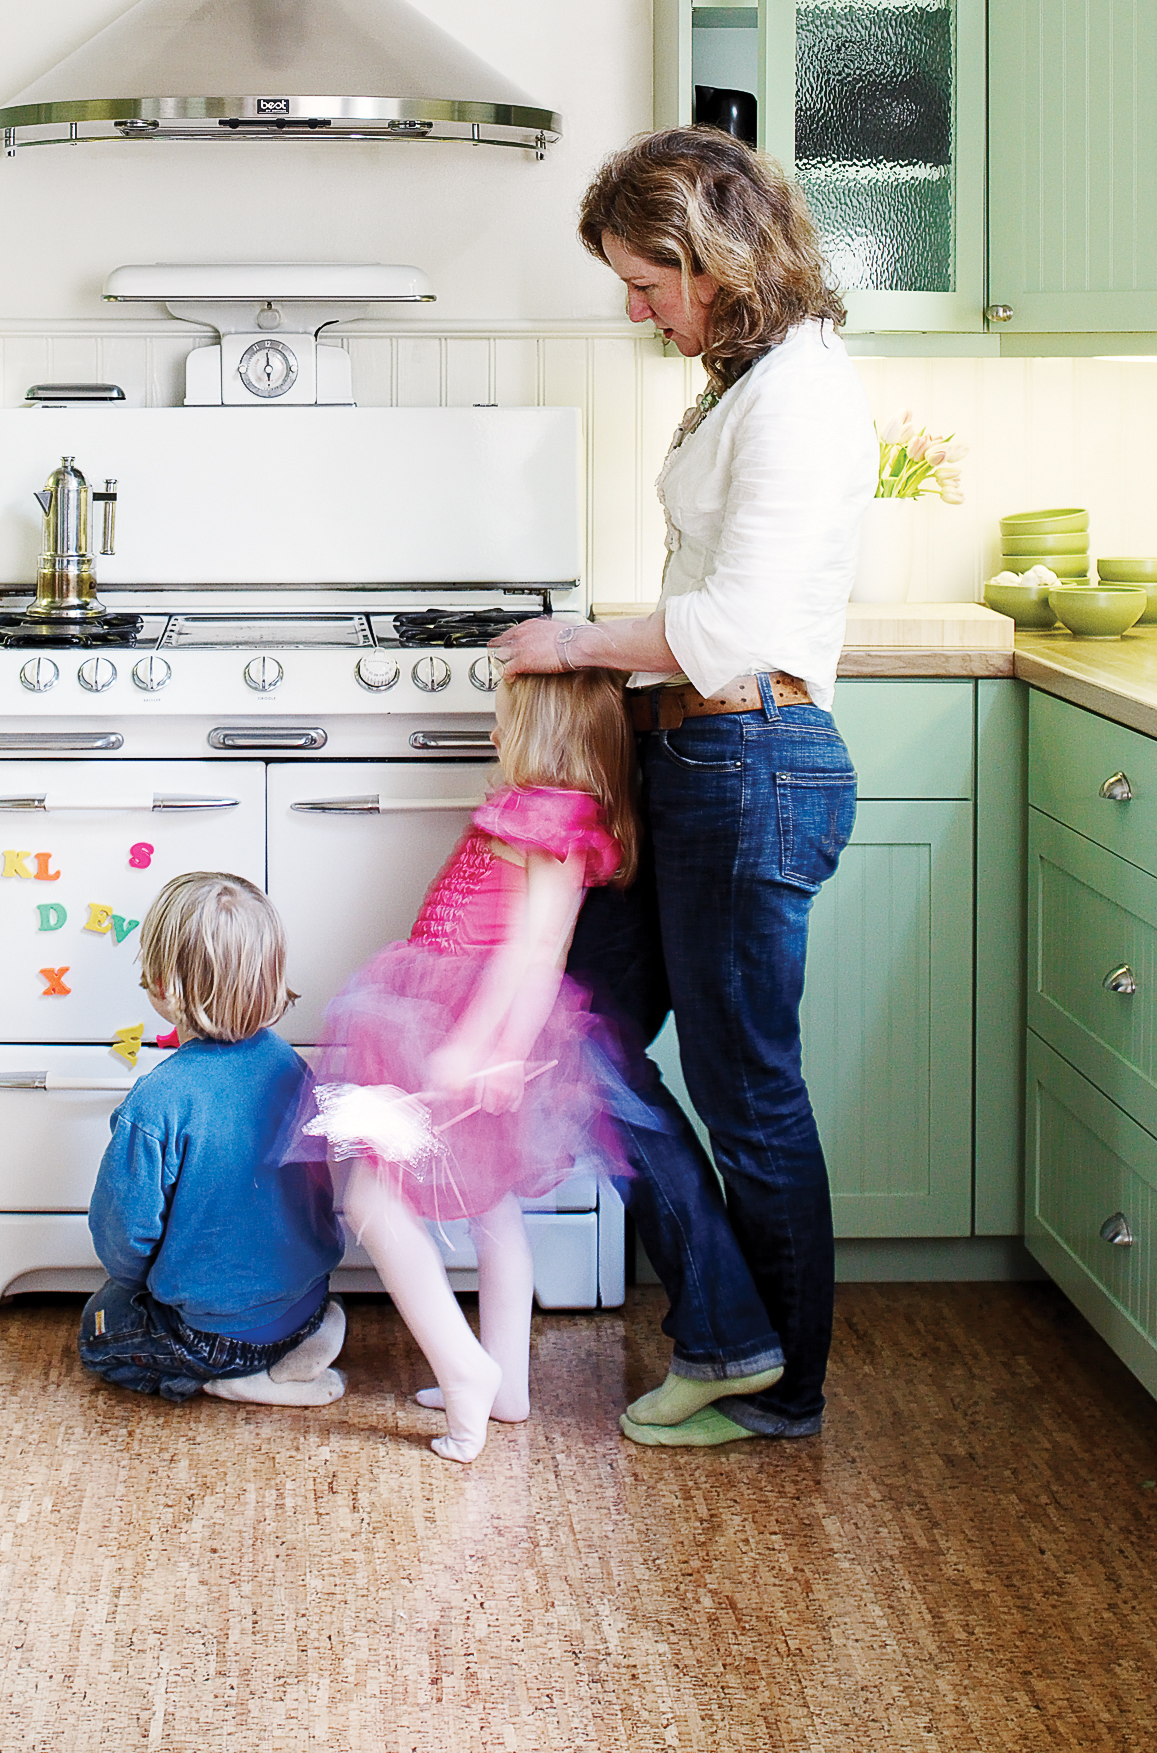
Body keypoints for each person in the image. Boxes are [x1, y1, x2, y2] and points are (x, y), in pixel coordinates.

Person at [493, 126, 875, 1449]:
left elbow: (735, 622)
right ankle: (729, 1332)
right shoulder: (748, 375)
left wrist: (576, 644)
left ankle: (779, 1388)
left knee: (749, 1091)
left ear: (714, 258)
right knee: (573, 1024)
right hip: (698, 761)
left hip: (752, 760)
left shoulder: (799, 395)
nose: (642, 313)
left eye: (650, 286)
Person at [301, 670, 637, 1464]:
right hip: (476, 1025)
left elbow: (529, 948)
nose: (494, 736)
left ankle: (464, 1375)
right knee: (490, 1209)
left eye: (504, 722)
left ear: (540, 736)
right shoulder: (569, 818)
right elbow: (545, 949)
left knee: (370, 1199)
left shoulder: (536, 818)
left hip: (451, 1023)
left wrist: (482, 1047)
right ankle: (508, 1384)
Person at [78, 871, 348, 1409]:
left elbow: (123, 1241)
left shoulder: (156, 1102)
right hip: (307, 1297)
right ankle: (301, 1340)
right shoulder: (292, 1066)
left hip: (215, 1336)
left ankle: (232, 1378)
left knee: (99, 1330)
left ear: (163, 987)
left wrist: (137, 1282)